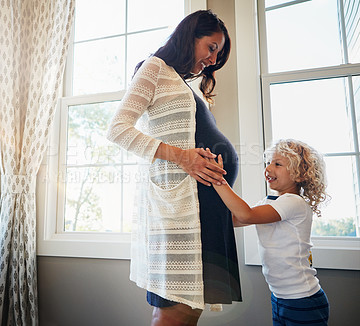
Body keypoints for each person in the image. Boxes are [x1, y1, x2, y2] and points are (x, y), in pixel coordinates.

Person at [106, 9, 242, 326]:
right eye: (211, 47)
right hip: (179, 210)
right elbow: (118, 129)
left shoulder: (183, 84)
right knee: (175, 312)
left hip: (203, 209)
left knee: (187, 311)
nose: (212, 59)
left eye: (217, 53)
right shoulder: (155, 68)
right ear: (190, 35)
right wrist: (184, 158)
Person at [206, 139, 330, 326]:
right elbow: (235, 220)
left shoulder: (294, 202)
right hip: (280, 297)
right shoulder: (269, 201)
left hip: (302, 298)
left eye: (277, 164)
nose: (268, 168)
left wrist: (219, 181)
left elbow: (246, 215)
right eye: (268, 163)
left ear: (299, 174)